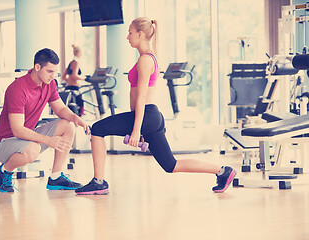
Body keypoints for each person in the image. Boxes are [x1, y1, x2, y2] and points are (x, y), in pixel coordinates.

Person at [75, 17, 236, 195]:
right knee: (171, 165)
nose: (127, 37)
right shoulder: (150, 57)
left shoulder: (145, 60)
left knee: (97, 129)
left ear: (140, 33)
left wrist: (136, 130)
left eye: (130, 32)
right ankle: (222, 171)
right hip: (151, 117)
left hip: (147, 115)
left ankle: (98, 182)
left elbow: (141, 96)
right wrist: (139, 127)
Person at [0, 48, 89, 193]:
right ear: (37, 67)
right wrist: (48, 140)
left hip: (26, 138)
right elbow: (17, 130)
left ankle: (55, 177)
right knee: (33, 149)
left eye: (55, 72)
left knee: (68, 125)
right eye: (49, 71)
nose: (53, 76)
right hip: (4, 143)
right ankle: (5, 171)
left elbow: (61, 110)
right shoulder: (17, 89)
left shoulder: (50, 84)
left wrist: (75, 117)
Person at [61, 44, 86, 116]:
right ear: (79, 53)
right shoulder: (76, 63)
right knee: (80, 104)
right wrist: (84, 78)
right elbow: (74, 75)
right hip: (75, 87)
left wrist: (69, 81)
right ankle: (80, 118)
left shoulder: (70, 63)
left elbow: (63, 76)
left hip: (68, 87)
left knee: (70, 105)